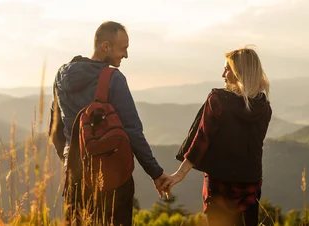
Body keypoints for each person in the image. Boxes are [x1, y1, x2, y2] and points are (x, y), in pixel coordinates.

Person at [49, 21, 168, 226]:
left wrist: (70, 159)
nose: (126, 55)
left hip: (75, 179)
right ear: (106, 47)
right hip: (112, 180)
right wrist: (156, 173)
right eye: (123, 49)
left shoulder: (61, 76)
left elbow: (54, 131)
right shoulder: (113, 78)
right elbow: (132, 132)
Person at [163, 46, 272, 226]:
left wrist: (179, 175)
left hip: (220, 186)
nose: (223, 74)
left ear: (239, 73)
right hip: (250, 186)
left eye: (227, 69)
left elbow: (201, 139)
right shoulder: (264, 107)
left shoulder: (218, 100)